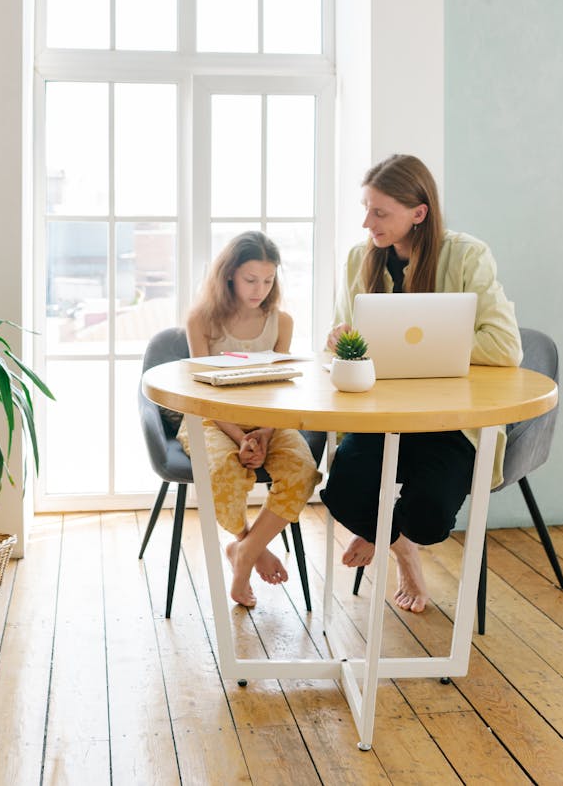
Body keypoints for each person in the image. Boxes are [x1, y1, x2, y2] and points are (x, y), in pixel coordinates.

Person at [320, 154, 522, 614]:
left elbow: (506, 346)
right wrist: (339, 340)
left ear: (418, 213)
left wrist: (432, 342)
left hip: (448, 421)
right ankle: (402, 552)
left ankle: (400, 537)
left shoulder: (468, 255)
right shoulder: (359, 259)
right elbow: (342, 341)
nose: (366, 222)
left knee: (431, 517)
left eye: (379, 212)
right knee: (344, 493)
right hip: (378, 416)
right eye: (366, 208)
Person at [180, 231, 322, 609]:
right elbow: (202, 394)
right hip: (211, 419)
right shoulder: (202, 320)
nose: (260, 289)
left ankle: (243, 552)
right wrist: (239, 435)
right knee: (223, 474)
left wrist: (264, 430)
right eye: (250, 279)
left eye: (268, 280)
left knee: (302, 470)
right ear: (229, 275)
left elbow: (280, 386)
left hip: (269, 420)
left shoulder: (281, 322)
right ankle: (254, 549)